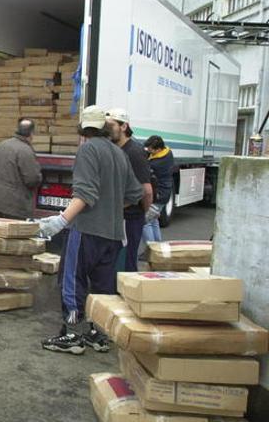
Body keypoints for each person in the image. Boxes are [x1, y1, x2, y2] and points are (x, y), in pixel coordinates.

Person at [38, 105, 143, 355]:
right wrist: (111, 207)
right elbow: (134, 194)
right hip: (113, 233)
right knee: (102, 287)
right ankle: (98, 334)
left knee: (72, 280)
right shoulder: (119, 154)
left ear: (83, 129)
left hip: (87, 230)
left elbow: (85, 194)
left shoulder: (88, 150)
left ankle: (73, 333)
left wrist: (61, 220)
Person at [106, 108, 153, 272]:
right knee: (113, 261)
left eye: (111, 125)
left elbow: (146, 190)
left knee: (126, 262)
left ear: (124, 126)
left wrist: (142, 212)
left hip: (130, 217)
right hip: (116, 217)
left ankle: (127, 287)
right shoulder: (113, 149)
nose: (107, 129)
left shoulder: (134, 152)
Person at [0, 118, 43, 220]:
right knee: (13, 230)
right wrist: (39, 178)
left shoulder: (1, 145)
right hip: (15, 206)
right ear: (31, 133)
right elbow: (32, 179)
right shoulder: (26, 150)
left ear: (17, 129)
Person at [143, 135, 175, 242]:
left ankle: (151, 248)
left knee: (145, 222)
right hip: (164, 194)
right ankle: (158, 246)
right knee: (154, 220)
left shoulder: (156, 164)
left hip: (158, 195)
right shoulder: (168, 152)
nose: (148, 150)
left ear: (158, 149)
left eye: (150, 149)